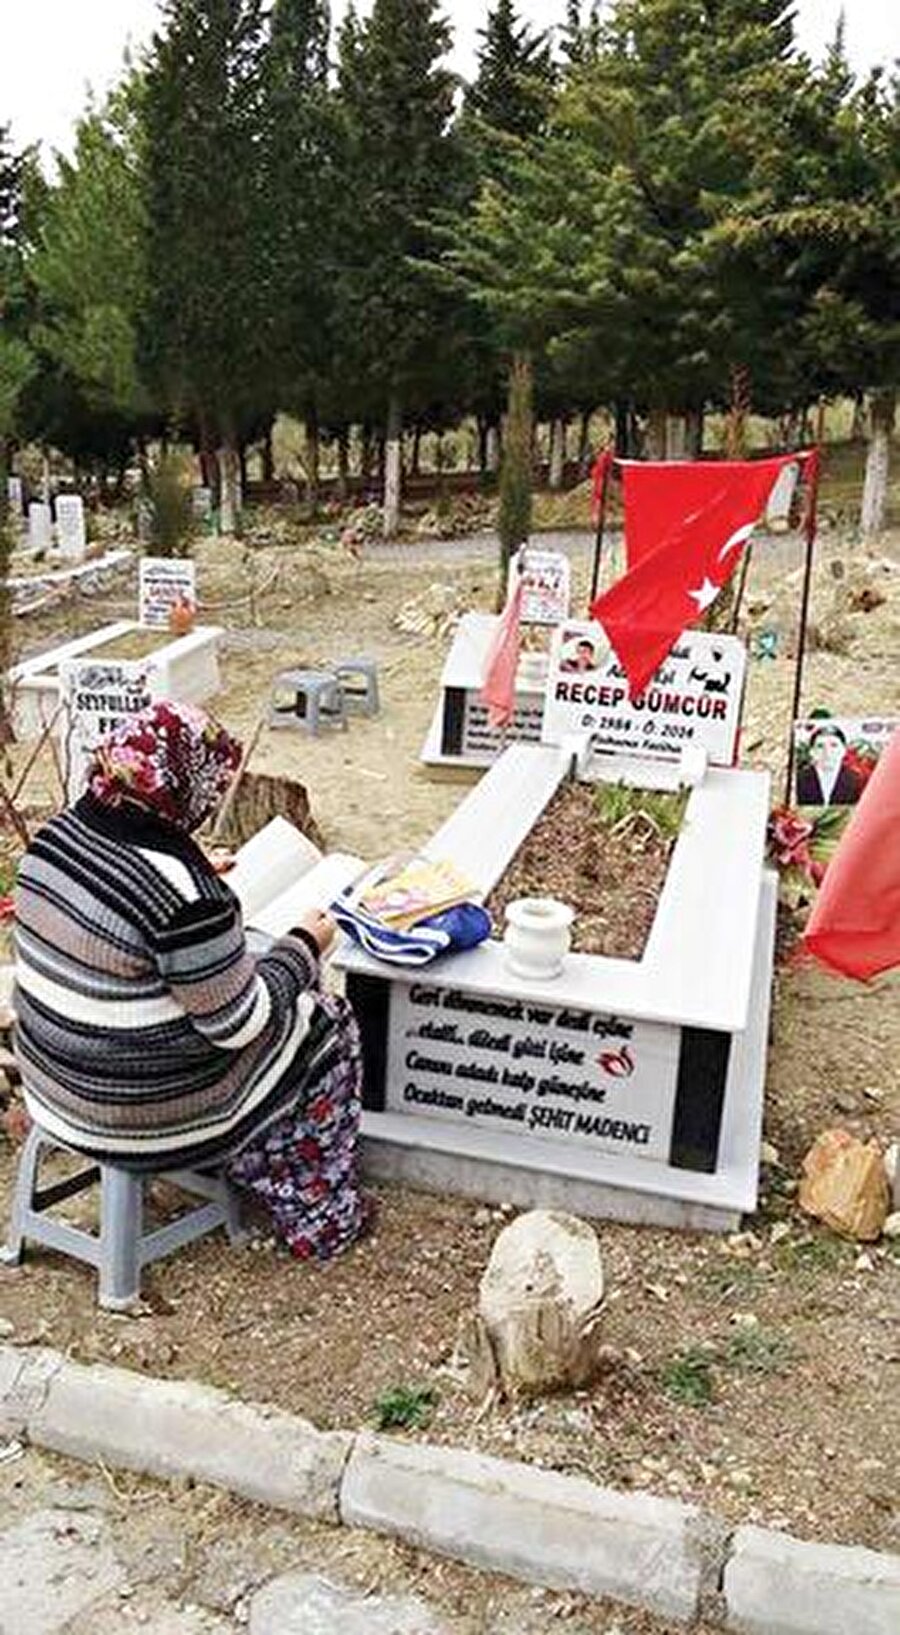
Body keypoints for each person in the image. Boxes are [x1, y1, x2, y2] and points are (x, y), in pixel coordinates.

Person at [13, 701, 367, 1263]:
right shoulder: (185, 896)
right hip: (129, 1108)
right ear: (185, 787)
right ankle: (316, 1210)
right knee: (324, 1022)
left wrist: (190, 868)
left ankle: (236, 1155)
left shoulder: (57, 837)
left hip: (55, 1085)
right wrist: (303, 944)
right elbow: (238, 1023)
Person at [796, 723, 860, 807]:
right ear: (812, 752)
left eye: (834, 745)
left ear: (843, 751)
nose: (827, 752)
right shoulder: (799, 779)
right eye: (820, 746)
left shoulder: (856, 780)